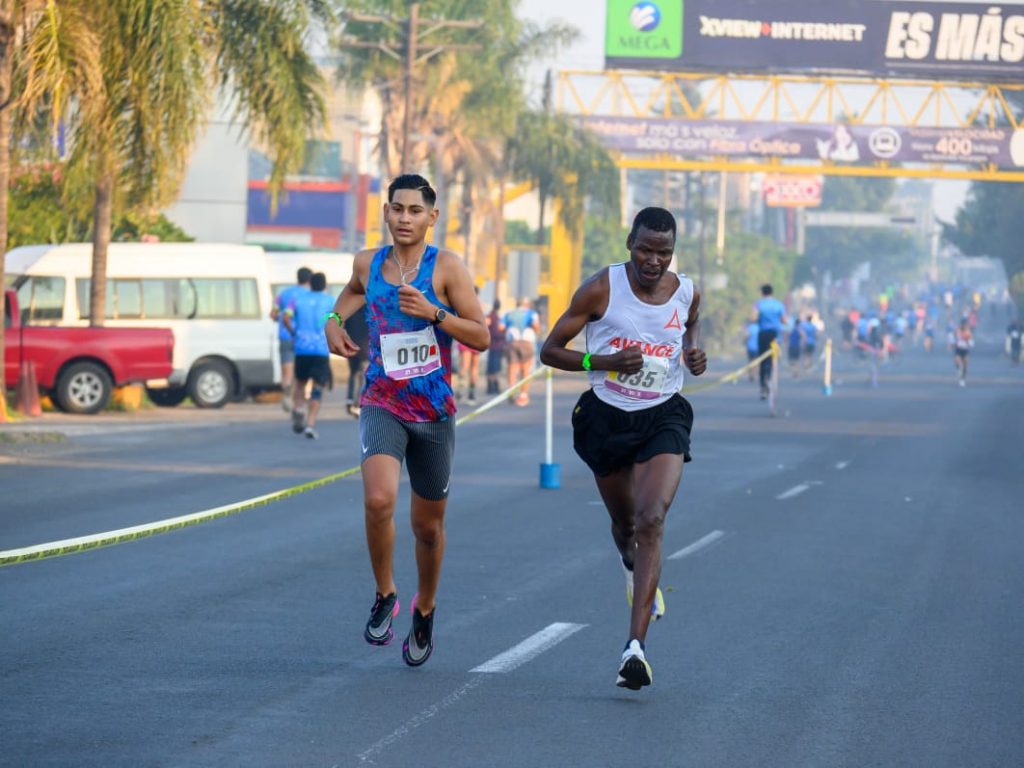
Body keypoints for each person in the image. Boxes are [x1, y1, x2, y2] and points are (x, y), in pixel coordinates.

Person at [324, 174, 489, 667]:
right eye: (397, 208)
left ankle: (426, 606)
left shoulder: (447, 268)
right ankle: (385, 593)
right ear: (386, 212)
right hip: (382, 400)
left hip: (433, 411)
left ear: (431, 217)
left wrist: (435, 313)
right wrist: (332, 322)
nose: (404, 218)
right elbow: (351, 293)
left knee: (427, 528)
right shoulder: (368, 263)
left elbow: (481, 336)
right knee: (378, 500)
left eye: (415, 211)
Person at [540, 206, 707, 691]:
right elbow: (550, 350)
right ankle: (631, 565)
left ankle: (634, 648)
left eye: (664, 252)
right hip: (607, 417)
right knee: (626, 525)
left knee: (652, 519)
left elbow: (691, 323)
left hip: (663, 414)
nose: (654, 260)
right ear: (630, 243)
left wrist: (692, 352)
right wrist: (604, 360)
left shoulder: (687, 290)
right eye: (645, 249)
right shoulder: (601, 288)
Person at [284, 272, 335, 439]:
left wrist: (294, 333)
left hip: (302, 348)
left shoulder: (297, 299)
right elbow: (337, 321)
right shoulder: (330, 301)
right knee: (318, 387)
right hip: (321, 350)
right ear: (325, 285)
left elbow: (286, 317)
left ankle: (298, 409)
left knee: (300, 383)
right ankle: (310, 424)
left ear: (310, 284)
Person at [270, 267, 312, 412]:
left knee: (287, 370)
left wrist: (281, 318)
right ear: (309, 279)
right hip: (303, 338)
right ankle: (300, 401)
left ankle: (287, 394)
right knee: (302, 371)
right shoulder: (309, 295)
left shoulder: (283, 294)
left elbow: (273, 314)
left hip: (285, 336)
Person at [504, 297, 542, 406]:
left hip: (512, 342)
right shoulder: (531, 313)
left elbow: (501, 327)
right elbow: (536, 325)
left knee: (512, 368)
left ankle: (511, 391)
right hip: (526, 342)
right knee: (525, 370)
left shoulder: (509, 314)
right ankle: (523, 395)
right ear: (527, 304)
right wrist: (536, 331)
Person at [754, 284, 787, 399]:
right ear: (772, 292)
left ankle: (763, 387)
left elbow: (753, 318)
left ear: (762, 293)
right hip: (774, 336)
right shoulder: (778, 304)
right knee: (773, 359)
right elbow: (784, 320)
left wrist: (760, 319)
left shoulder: (759, 304)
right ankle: (771, 380)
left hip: (763, 334)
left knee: (762, 360)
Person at [344, 306, 369, 417]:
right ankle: (359, 402)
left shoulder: (349, 312)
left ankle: (349, 399)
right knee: (363, 376)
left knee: (353, 374)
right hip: (365, 349)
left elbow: (344, 327)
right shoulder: (369, 312)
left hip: (351, 348)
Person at [485, 299, 506, 395]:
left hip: (492, 346)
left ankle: (491, 386)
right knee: (495, 368)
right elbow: (496, 332)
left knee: (492, 368)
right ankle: (493, 386)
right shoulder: (496, 317)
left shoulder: (491, 316)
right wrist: (503, 335)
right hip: (496, 346)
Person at [950, 317, 974, 386]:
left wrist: (969, 343)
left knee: (965, 364)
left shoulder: (968, 332)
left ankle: (962, 379)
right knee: (957, 361)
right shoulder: (957, 330)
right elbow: (952, 337)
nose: (964, 326)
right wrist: (952, 343)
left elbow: (971, 342)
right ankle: (958, 369)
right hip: (958, 349)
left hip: (965, 349)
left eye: (965, 325)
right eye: (963, 324)